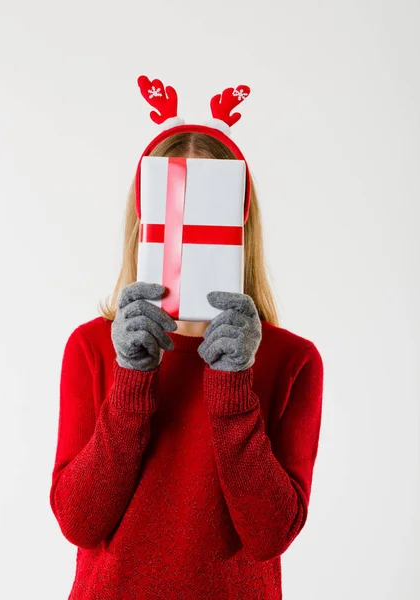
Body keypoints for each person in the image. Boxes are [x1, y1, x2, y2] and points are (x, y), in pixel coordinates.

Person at [49, 77, 324, 599]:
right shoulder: (91, 348)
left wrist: (233, 388)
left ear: (241, 224)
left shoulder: (293, 361)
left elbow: (270, 536)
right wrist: (130, 384)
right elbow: (79, 522)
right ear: (144, 223)